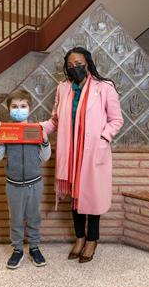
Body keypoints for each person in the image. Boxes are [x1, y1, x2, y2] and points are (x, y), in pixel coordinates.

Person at [41, 46, 124, 263]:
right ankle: (79, 238)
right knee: (75, 198)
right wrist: (37, 130)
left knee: (92, 198)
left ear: (88, 63)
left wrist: (104, 138)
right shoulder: (63, 88)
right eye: (70, 66)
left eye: (78, 64)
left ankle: (92, 240)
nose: (74, 68)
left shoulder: (104, 87)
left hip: (92, 152)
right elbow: (55, 120)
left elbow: (116, 120)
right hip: (71, 153)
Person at [0, 89, 51, 269]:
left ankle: (34, 247)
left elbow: (45, 156)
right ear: (9, 109)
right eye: (14, 106)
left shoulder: (35, 130)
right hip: (14, 185)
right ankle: (17, 249)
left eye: (23, 106)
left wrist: (45, 138)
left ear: (29, 108)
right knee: (15, 218)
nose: (19, 109)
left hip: (35, 183)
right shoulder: (6, 131)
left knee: (33, 217)